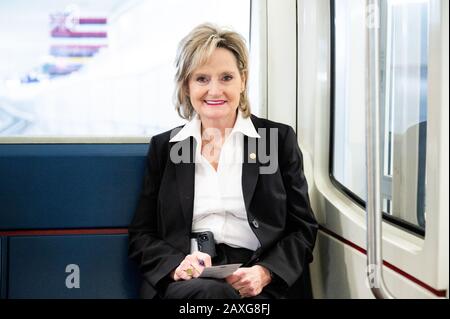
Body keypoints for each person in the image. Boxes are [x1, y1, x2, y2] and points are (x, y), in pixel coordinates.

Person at [128, 23, 318, 299]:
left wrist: (265, 272)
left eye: (226, 77)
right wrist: (177, 266)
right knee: (212, 296)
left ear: (243, 80)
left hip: (259, 280)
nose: (214, 90)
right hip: (190, 282)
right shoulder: (165, 148)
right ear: (186, 85)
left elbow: (302, 228)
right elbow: (142, 235)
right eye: (202, 79)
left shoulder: (276, 140)